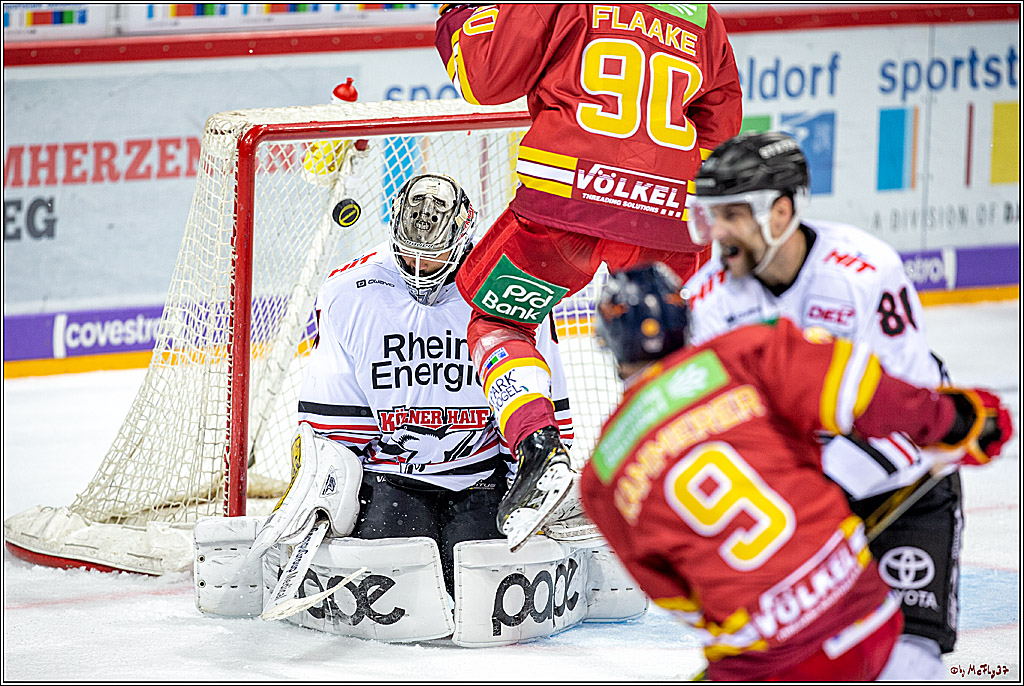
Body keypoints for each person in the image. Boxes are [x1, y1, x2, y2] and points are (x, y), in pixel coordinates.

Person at [579, 263, 1012, 681]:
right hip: (868, 621)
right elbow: (867, 394)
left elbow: (673, 596)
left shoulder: (601, 476)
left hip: (771, 665)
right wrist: (958, 420)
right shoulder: (744, 352)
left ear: (609, 343)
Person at [434, 3, 743, 548]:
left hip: (567, 197)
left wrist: (457, 15)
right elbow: (721, 126)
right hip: (668, 210)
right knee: (661, 350)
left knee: (497, 322)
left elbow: (485, 77)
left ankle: (539, 450)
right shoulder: (701, 13)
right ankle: (684, 483)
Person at [682, 131, 969, 678]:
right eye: (711, 216)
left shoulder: (865, 271)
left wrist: (810, 498)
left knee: (908, 664)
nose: (718, 234)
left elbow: (913, 412)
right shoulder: (710, 301)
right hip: (803, 513)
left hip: (904, 491)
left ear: (780, 211)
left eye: (732, 215)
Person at [296, 173, 573, 596]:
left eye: (434, 256)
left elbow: (537, 399)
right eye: (409, 258)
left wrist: (530, 485)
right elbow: (335, 424)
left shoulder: (508, 289)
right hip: (391, 477)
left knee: (479, 595)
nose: (420, 270)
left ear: (463, 239)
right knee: (393, 590)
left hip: (482, 479)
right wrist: (324, 494)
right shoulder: (348, 292)